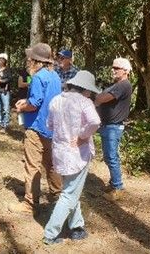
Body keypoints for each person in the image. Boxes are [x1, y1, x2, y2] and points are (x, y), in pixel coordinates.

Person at [42, 71, 102, 245]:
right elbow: (95, 122)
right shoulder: (85, 102)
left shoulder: (56, 100)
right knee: (69, 194)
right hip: (77, 154)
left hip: (60, 153)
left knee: (70, 189)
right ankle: (51, 234)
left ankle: (77, 227)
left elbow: (49, 125)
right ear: (86, 89)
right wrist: (83, 135)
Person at [12, 42, 62, 213]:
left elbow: (35, 103)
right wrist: (27, 102)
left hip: (36, 127)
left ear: (36, 60)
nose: (28, 60)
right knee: (52, 164)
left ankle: (30, 203)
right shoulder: (55, 75)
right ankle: (57, 196)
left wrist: (22, 107)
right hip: (52, 127)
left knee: (32, 165)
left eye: (30, 58)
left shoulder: (38, 77)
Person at [95, 57, 133, 201]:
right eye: (113, 67)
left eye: (116, 68)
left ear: (125, 71)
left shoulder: (123, 85)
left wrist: (97, 96)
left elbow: (102, 99)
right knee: (108, 156)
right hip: (107, 125)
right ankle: (113, 184)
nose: (113, 70)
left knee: (112, 157)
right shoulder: (116, 84)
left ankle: (118, 187)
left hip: (113, 127)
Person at [0, 53, 13, 132]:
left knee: (5, 108)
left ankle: (4, 125)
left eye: (2, 59)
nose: (1, 60)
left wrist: (0, 81)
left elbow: (9, 79)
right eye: (0, 59)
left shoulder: (7, 69)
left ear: (5, 61)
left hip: (4, 91)